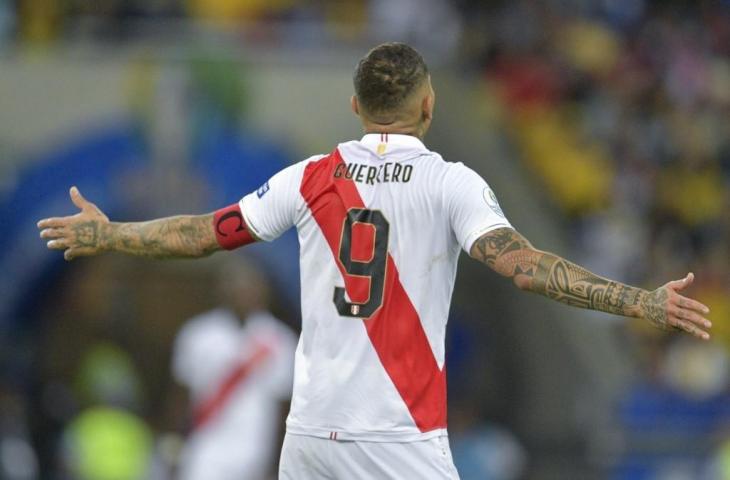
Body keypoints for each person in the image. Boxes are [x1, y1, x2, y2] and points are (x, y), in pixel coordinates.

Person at [38, 42, 712, 479]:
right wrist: (640, 301)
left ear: (357, 107)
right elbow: (524, 266)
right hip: (396, 434)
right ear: (428, 104)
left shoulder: (309, 178)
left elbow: (204, 233)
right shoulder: (452, 183)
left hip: (311, 436)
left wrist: (112, 234)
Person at [171, 257, 296, 480]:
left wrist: (279, 462)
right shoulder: (197, 334)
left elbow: (284, 410)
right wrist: (174, 447)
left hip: (256, 452)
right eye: (235, 284)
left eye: (250, 285)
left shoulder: (280, 340)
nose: (243, 292)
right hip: (205, 450)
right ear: (222, 289)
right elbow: (180, 398)